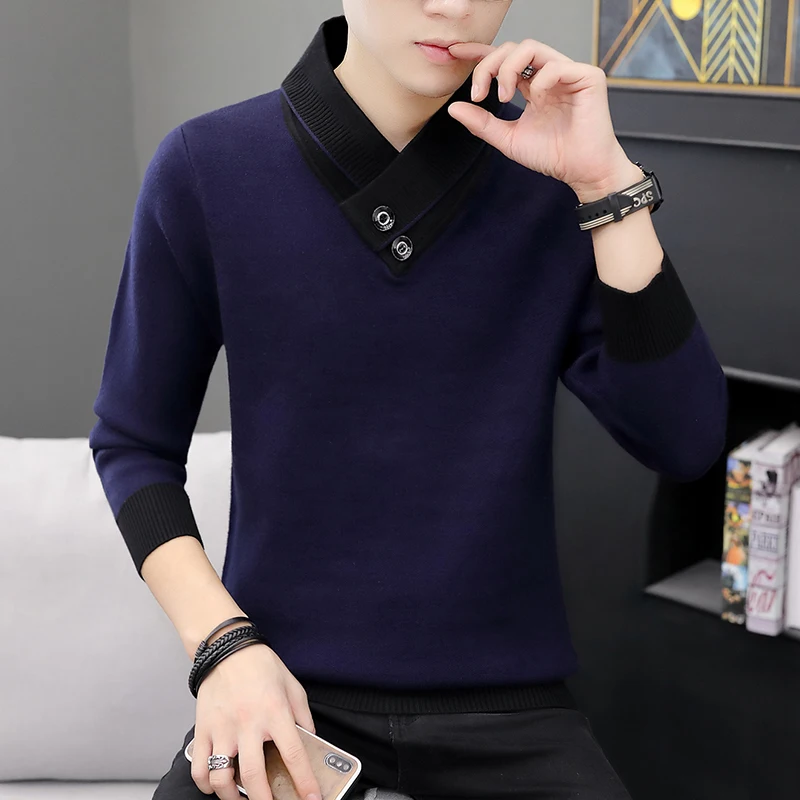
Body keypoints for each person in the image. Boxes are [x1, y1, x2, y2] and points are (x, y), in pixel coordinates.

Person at [88, 1, 728, 799]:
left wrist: (607, 186)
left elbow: (684, 440)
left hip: (511, 710)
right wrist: (224, 649)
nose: (452, 4)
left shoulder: (552, 174)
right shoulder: (207, 166)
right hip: (285, 696)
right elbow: (133, 444)